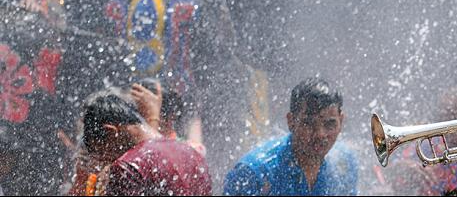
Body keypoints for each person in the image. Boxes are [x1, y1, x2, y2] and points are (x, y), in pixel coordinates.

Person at [223, 78, 358, 195]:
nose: (320, 134)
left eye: (329, 124)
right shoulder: (255, 173)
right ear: (291, 122)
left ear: (341, 121)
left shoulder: (344, 164)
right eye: (309, 123)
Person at [75, 87, 211, 196]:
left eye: (102, 153)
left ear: (111, 132)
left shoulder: (126, 168)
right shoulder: (192, 154)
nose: (107, 164)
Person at [130, 79, 206, 156]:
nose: (138, 119)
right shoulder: (128, 144)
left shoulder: (188, 150)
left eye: (145, 111)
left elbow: (152, 158)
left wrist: (152, 118)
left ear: (171, 116)